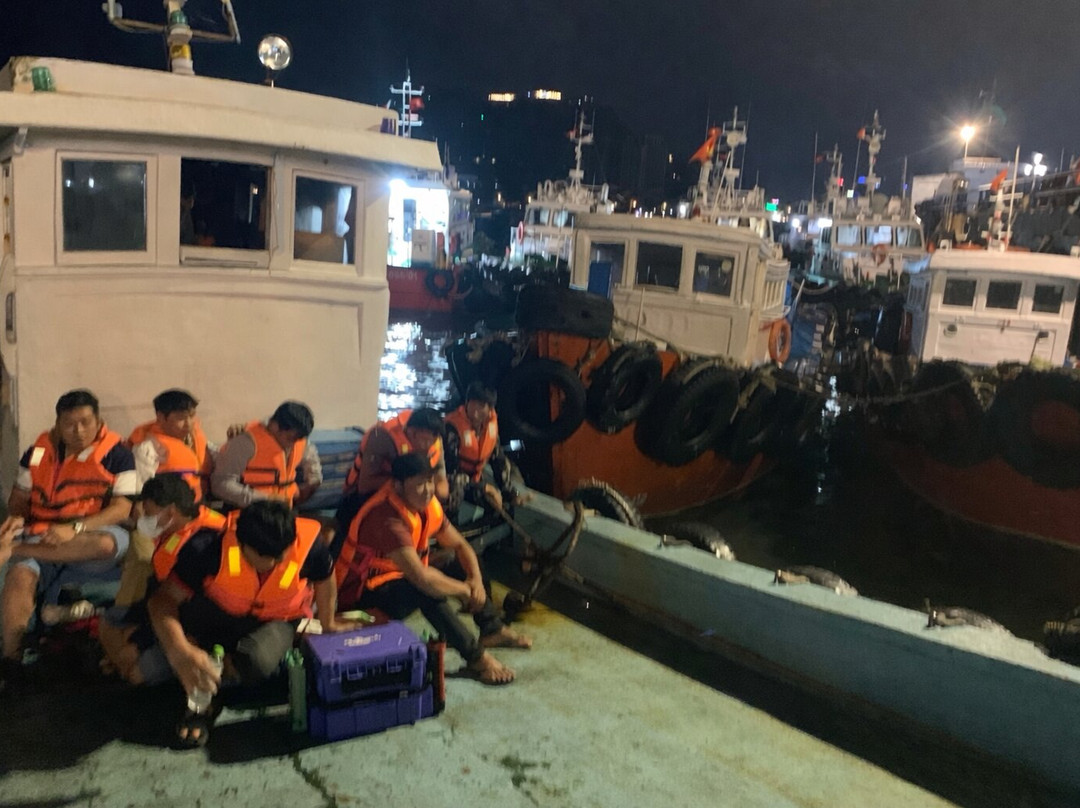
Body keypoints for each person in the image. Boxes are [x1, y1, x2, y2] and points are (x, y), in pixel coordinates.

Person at [148, 499, 355, 747]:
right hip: (218, 615)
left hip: (278, 619)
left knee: (257, 662)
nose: (276, 562)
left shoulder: (311, 548)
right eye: (266, 556)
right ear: (242, 542)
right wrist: (179, 651)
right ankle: (203, 699)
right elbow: (162, 600)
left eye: (282, 554)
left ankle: (219, 675)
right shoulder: (207, 547)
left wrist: (328, 622)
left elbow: (325, 579)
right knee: (157, 660)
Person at [334, 453, 527, 687]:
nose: (427, 490)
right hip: (360, 598)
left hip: (396, 578)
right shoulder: (386, 518)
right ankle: (477, 659)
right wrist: (465, 591)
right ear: (397, 486)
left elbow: (460, 545)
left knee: (458, 560)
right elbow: (422, 578)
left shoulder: (426, 504)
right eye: (419, 485)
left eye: (430, 482)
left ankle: (491, 628)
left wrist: (475, 580)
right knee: (425, 591)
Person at [0, 390, 135, 679]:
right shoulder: (36, 452)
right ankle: (12, 661)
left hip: (90, 533)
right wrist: (15, 519)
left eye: (86, 422)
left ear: (99, 421)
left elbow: (122, 509)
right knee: (19, 578)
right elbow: (19, 501)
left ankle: (17, 551)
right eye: (70, 424)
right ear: (58, 425)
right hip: (42, 535)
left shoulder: (118, 454)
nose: (79, 431)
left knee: (107, 544)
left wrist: (73, 528)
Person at [99, 473, 226, 683]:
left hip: (190, 624)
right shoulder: (178, 529)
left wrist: (140, 641)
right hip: (162, 608)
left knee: (135, 673)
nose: (144, 518)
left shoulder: (202, 545)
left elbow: (187, 607)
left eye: (148, 513)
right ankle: (123, 664)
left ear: (171, 512)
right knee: (108, 622)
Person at [335, 407, 449, 542]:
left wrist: (431, 493)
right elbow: (365, 485)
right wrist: (407, 485)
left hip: (411, 496)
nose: (428, 446)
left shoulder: (435, 441)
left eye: (434, 439)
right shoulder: (382, 437)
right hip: (366, 496)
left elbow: (441, 477)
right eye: (425, 441)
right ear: (411, 433)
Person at [211, 401, 321, 510]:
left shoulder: (299, 440)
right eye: (290, 439)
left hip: (283, 514)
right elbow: (220, 485)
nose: (293, 445)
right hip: (249, 513)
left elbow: (313, 469)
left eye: (298, 440)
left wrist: (311, 485)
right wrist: (265, 499)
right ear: (275, 426)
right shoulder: (245, 443)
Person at [443, 382, 519, 515]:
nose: (476, 410)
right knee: (459, 484)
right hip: (453, 480)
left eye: (481, 405)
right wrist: (484, 487)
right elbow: (451, 469)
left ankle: (496, 516)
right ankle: (449, 519)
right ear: (466, 402)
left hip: (475, 480)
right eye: (473, 403)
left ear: (490, 409)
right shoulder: (452, 429)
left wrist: (508, 491)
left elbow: (498, 460)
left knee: (495, 501)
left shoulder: (490, 428)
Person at [128, 388, 214, 499]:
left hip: (198, 506)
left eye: (192, 416)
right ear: (161, 417)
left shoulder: (197, 439)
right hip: (170, 511)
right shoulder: (147, 447)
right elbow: (143, 491)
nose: (188, 424)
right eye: (181, 418)